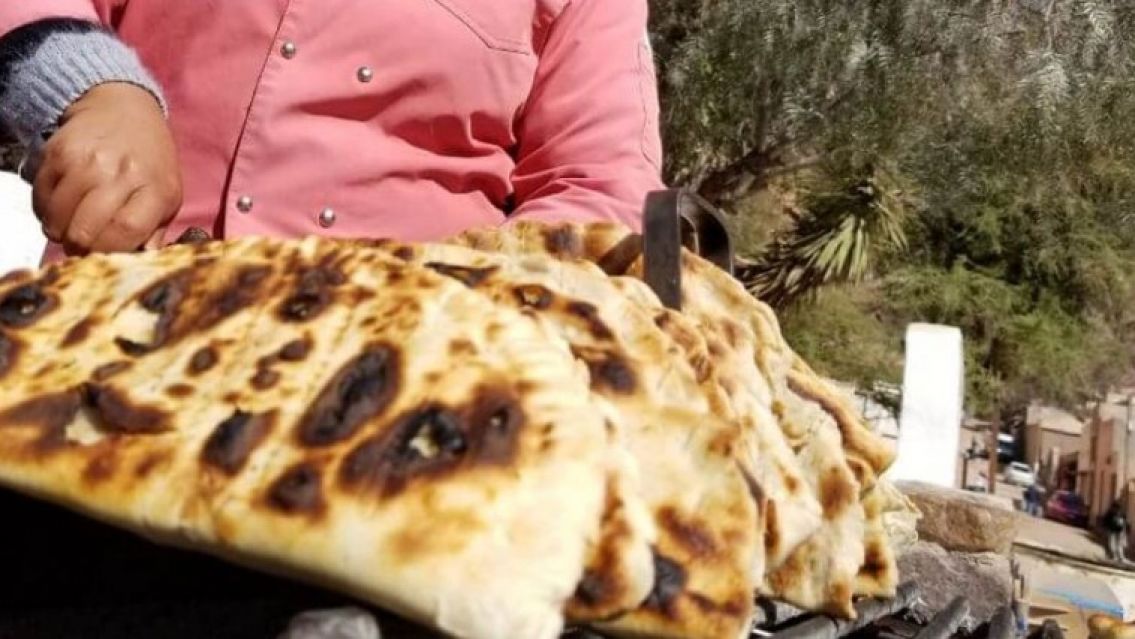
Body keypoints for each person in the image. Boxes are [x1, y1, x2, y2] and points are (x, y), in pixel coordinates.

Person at [0, 2, 664, 262]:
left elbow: (603, 187)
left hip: (391, 427)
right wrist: (94, 87)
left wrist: (476, 311)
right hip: (97, 360)